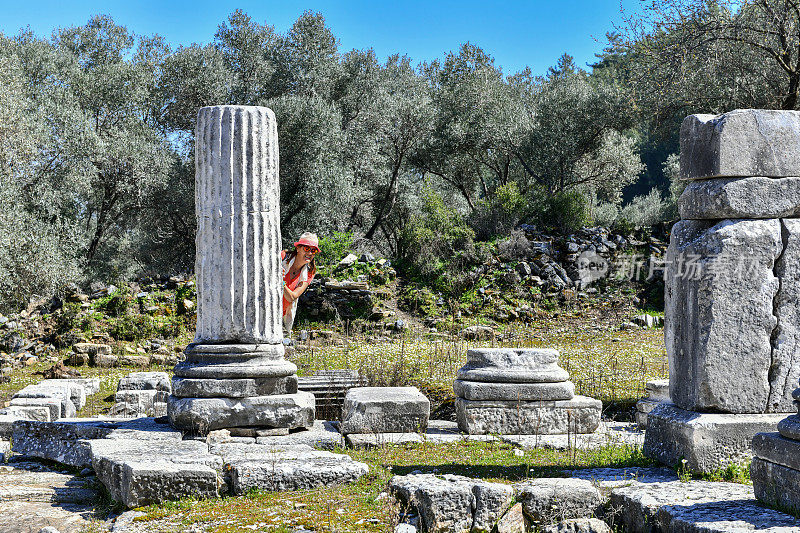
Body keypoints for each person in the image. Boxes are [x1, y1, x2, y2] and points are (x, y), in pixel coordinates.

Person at [281, 232, 319, 337]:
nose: (310, 253)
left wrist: (281, 282)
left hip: (282, 316)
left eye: (313, 250)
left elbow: (291, 297)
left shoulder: (309, 272)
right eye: (306, 248)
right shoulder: (282, 257)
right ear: (298, 248)